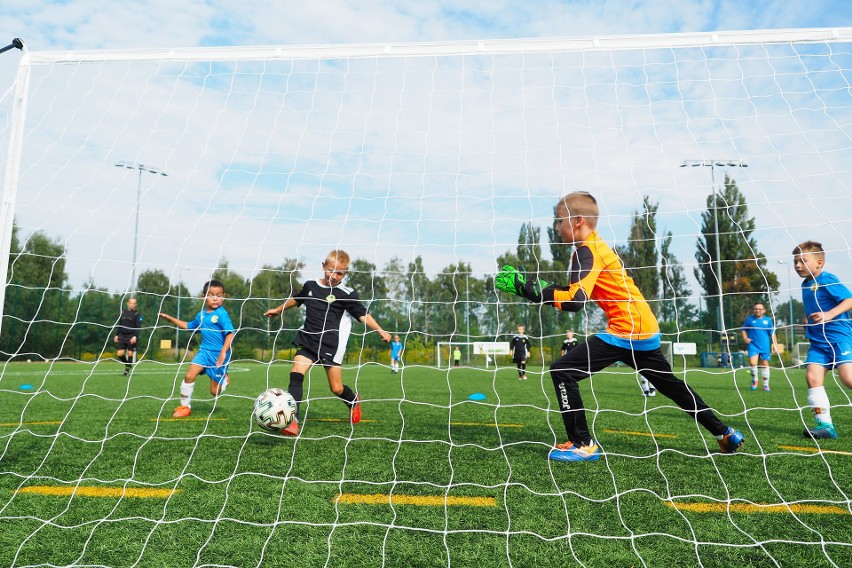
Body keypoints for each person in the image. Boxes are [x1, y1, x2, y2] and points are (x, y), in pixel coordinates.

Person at [496, 191, 744, 462]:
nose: (556, 227)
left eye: (558, 221)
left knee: (563, 371)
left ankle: (583, 444)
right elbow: (574, 292)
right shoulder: (594, 247)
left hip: (626, 329)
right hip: (644, 326)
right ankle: (725, 433)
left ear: (577, 220)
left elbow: (576, 301)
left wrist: (528, 290)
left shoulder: (586, 251)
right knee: (670, 386)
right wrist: (537, 288)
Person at [264, 250, 391, 436]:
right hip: (308, 339)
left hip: (332, 344)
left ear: (345, 274)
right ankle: (293, 421)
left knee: (336, 387)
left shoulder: (346, 293)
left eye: (339, 273)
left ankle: (352, 400)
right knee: (296, 374)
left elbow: (363, 315)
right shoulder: (310, 286)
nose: (334, 276)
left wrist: (380, 330)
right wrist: (278, 309)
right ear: (324, 266)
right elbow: (297, 299)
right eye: (330, 270)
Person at [793, 241, 852, 440]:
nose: (798, 265)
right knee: (812, 378)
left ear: (819, 262)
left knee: (848, 379)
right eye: (795, 261)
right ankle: (825, 426)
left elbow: (849, 300)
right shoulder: (805, 284)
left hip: (839, 339)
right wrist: (806, 318)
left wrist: (830, 314)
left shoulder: (827, 278)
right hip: (818, 342)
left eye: (803, 260)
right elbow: (813, 306)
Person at [158, 280, 235, 418]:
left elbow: (230, 333)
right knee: (189, 376)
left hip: (218, 356)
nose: (215, 298)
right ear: (203, 296)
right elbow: (188, 326)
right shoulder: (201, 315)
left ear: (224, 296)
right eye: (211, 295)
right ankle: (185, 407)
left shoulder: (222, 314)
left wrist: (224, 352)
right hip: (204, 352)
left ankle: (224, 380)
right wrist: (170, 319)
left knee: (214, 391)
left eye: (219, 295)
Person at [741, 302, 779, 391]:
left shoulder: (768, 320)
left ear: (764, 310)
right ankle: (755, 380)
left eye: (760, 309)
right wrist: (745, 338)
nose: (757, 310)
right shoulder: (749, 319)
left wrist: (775, 345)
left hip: (765, 345)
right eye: (756, 309)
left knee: (765, 364)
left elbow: (772, 333)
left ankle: (765, 385)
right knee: (752, 363)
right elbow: (743, 330)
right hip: (753, 345)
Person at [114, 298, 142, 376]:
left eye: (134, 303)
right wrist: (116, 335)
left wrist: (135, 336)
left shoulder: (137, 314)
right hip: (122, 336)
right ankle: (128, 364)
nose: (132, 305)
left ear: (136, 305)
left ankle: (126, 371)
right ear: (128, 303)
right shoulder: (123, 312)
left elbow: (138, 326)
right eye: (131, 303)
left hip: (131, 336)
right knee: (120, 354)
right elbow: (119, 324)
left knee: (130, 354)